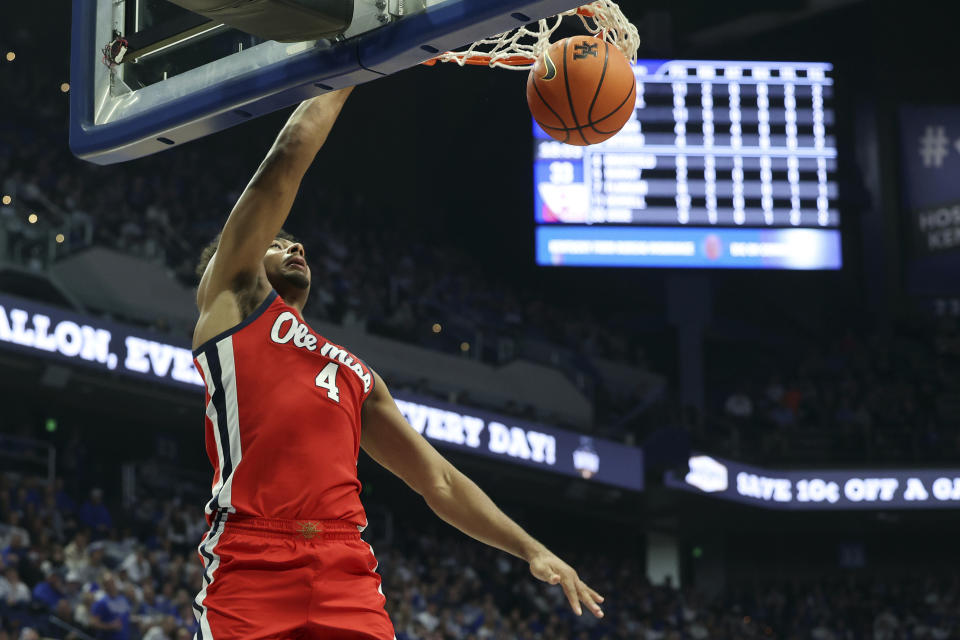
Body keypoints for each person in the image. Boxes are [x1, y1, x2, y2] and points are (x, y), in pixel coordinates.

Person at [189, 88, 605, 639]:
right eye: (279, 242)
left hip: (345, 563)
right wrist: (344, 73)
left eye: (298, 244)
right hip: (252, 553)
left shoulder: (356, 373)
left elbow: (439, 482)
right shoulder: (233, 303)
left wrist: (531, 549)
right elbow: (284, 164)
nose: (297, 248)